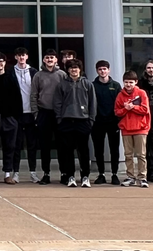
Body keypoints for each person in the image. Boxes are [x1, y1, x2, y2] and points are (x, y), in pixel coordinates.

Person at [54, 58, 96, 187]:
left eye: (76, 68)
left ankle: (85, 176)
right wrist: (59, 119)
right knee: (68, 151)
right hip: (66, 121)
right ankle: (70, 176)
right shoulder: (62, 84)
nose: (74, 70)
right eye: (71, 68)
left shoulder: (87, 84)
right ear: (67, 70)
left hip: (83, 121)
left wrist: (91, 120)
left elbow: (92, 103)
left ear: (80, 69)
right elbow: (57, 103)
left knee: (83, 151)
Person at [30, 51, 66, 184]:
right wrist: (36, 113)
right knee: (45, 146)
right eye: (47, 57)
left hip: (59, 114)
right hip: (43, 113)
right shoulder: (38, 75)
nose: (49, 59)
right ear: (44, 60)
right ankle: (46, 173)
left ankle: (64, 173)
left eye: (52, 57)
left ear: (56, 60)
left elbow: (66, 93)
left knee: (62, 145)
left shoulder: (62, 75)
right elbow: (33, 95)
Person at [0, 53, 21, 184]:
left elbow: (18, 98)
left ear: (5, 62)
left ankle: (7, 173)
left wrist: (16, 118)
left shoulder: (11, 77)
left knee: (10, 146)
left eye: (1, 61)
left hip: (9, 118)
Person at [115, 70, 150, 187]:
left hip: (140, 128)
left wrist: (133, 107)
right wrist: (126, 109)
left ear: (136, 82)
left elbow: (145, 109)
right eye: (126, 82)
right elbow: (117, 112)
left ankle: (142, 177)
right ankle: (130, 176)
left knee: (141, 155)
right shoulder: (120, 95)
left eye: (131, 82)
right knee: (128, 155)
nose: (128, 84)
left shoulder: (141, 93)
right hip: (126, 129)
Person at [11, 48, 40, 182]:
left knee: (32, 145)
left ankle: (33, 172)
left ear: (27, 56)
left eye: (23, 55)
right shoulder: (11, 72)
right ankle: (15, 173)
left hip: (31, 114)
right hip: (17, 114)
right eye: (19, 55)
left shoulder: (34, 72)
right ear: (16, 57)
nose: (21, 57)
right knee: (16, 145)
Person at [91, 60, 122, 185]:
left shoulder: (116, 86)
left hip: (113, 122)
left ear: (109, 70)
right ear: (97, 71)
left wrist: (118, 120)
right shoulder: (92, 86)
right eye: (100, 69)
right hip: (97, 122)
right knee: (98, 150)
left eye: (104, 69)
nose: (102, 71)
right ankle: (101, 174)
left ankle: (114, 174)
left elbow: (120, 103)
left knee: (114, 149)